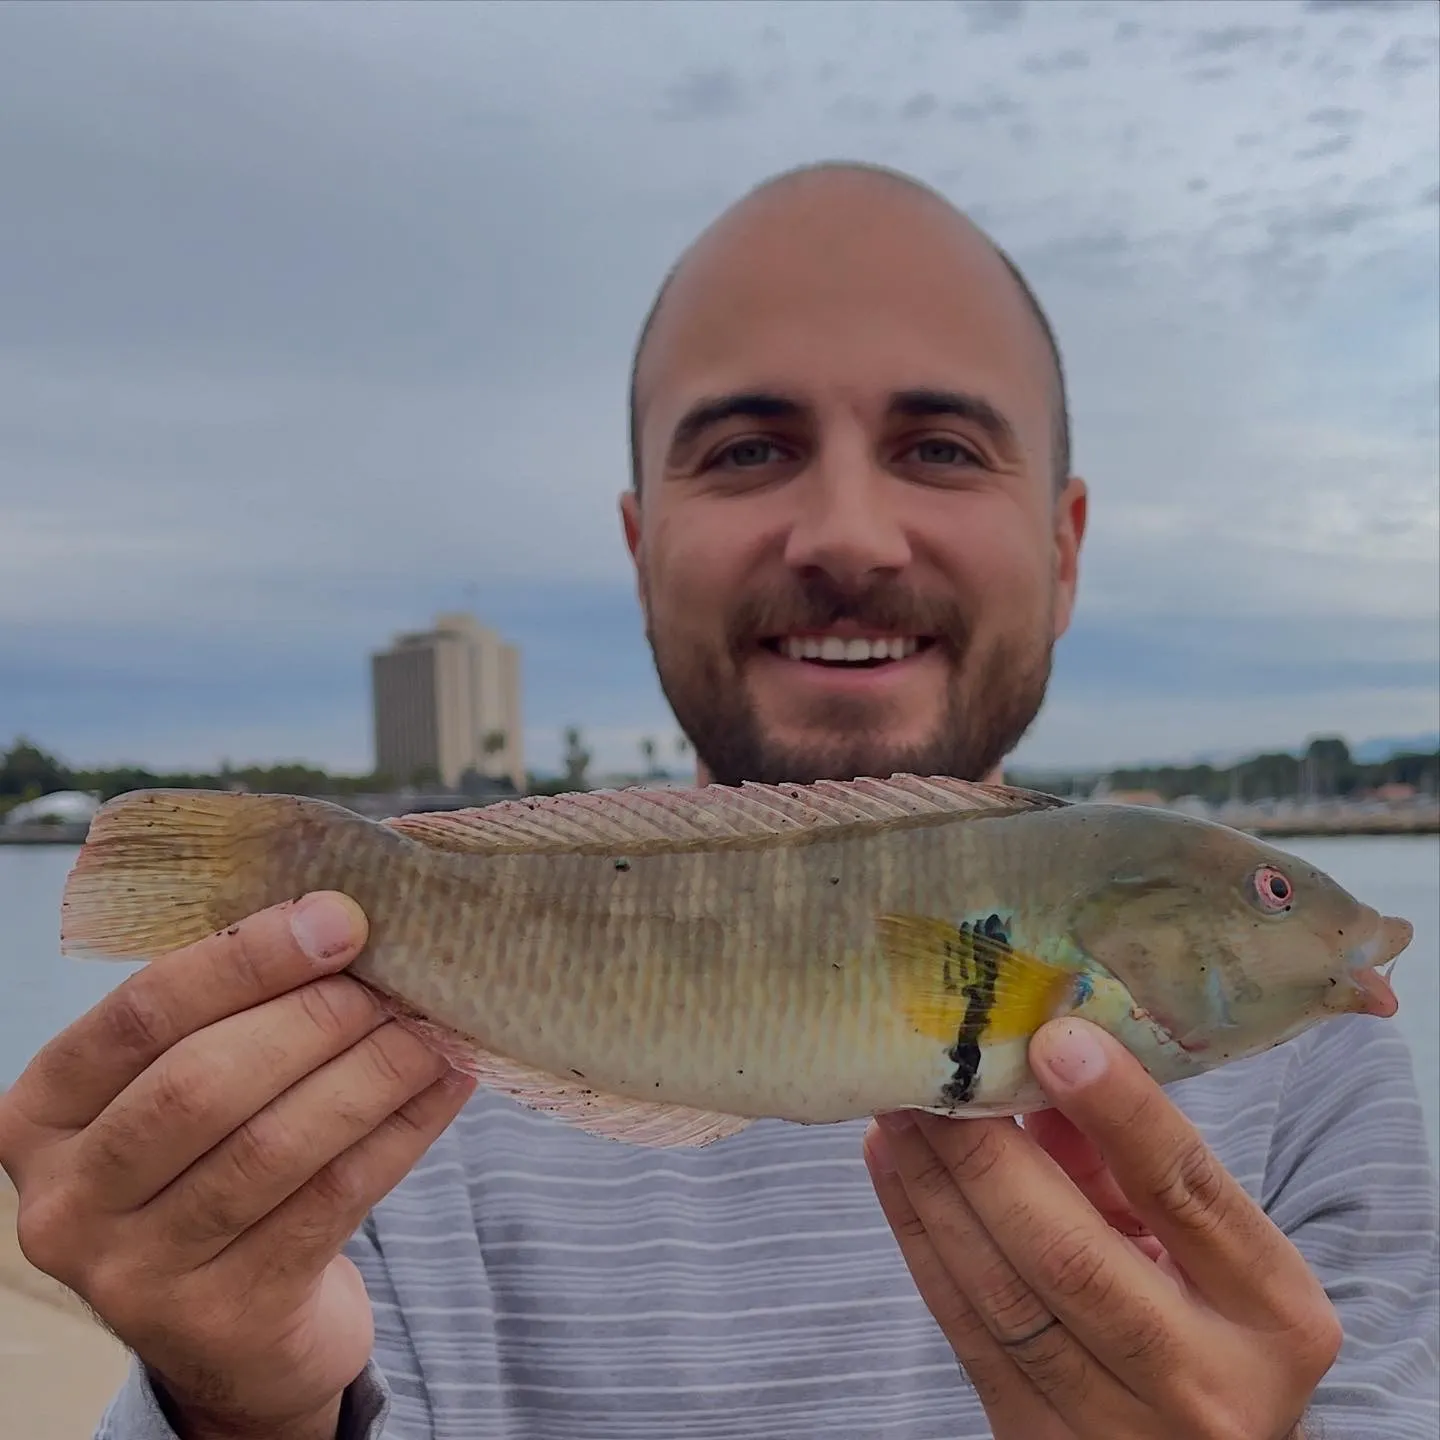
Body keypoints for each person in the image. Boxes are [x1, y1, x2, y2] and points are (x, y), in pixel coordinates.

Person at [1, 162, 1435, 1440]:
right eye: (747, 449)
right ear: (637, 549)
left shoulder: (1314, 1074)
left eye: (942, 445)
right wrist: (241, 1407)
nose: (849, 535)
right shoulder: (348, 1087)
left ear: (1065, 551)